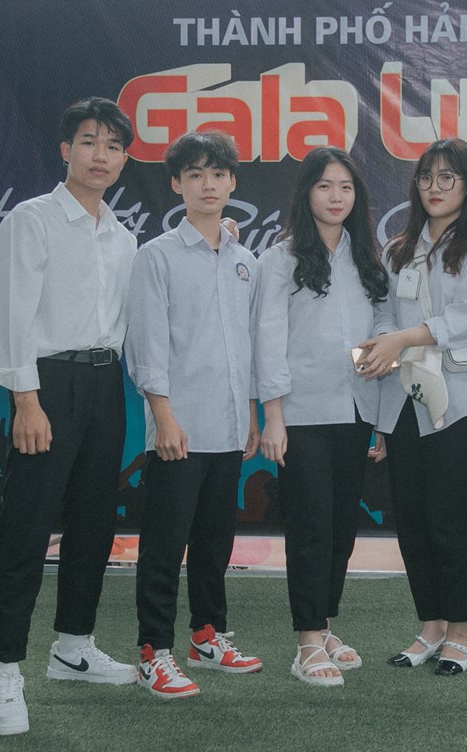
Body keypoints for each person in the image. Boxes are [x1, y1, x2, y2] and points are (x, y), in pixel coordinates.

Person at [0, 97, 138, 736]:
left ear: (124, 159)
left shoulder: (124, 238)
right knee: (26, 528)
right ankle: (3, 674)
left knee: (95, 524)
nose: (101, 155)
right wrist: (26, 398)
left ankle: (74, 646)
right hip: (46, 385)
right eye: (89, 142)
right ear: (66, 149)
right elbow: (12, 312)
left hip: (106, 385)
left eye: (113, 146)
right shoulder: (32, 220)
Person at [357, 138, 467, 676]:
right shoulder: (399, 248)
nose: (435, 187)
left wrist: (401, 339)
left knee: (448, 520)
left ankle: (460, 634)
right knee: (412, 521)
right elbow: (380, 312)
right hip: (402, 400)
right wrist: (385, 341)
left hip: (460, 404)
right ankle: (430, 628)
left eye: (448, 178)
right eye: (426, 177)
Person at [125, 130, 262, 699]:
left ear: (232, 183)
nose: (209, 184)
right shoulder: (155, 257)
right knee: (164, 546)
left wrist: (250, 413)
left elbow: (248, 345)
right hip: (178, 428)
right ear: (177, 184)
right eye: (196, 175)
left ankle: (207, 636)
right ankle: (152, 653)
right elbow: (146, 344)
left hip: (228, 427)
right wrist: (163, 416)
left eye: (218, 174)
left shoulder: (246, 262)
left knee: (214, 543)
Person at [255, 147, 389, 687]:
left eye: (346, 187)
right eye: (325, 186)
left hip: (356, 410)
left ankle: (325, 624)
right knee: (310, 527)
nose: (336, 197)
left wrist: (380, 418)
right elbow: (268, 341)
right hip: (301, 414)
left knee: (340, 530)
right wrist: (273, 416)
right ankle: (307, 641)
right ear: (306, 192)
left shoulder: (367, 259)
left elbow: (378, 339)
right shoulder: (279, 259)